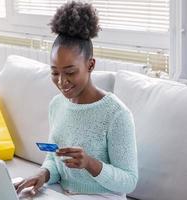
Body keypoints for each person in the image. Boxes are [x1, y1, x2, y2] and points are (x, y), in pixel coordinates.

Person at [14, 1, 138, 199]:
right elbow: (54, 160)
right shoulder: (57, 105)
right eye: (55, 72)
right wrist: (43, 174)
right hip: (63, 193)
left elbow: (129, 181)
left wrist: (89, 163)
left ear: (90, 65)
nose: (62, 82)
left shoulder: (116, 114)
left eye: (70, 72)